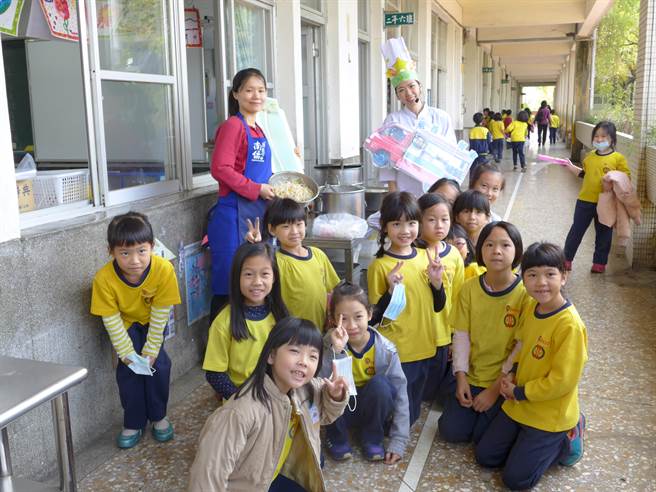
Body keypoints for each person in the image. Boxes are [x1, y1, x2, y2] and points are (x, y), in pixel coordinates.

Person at [188, 317, 349, 491]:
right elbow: (207, 477)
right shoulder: (239, 413)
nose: (304, 361)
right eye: (295, 351)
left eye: (312, 356)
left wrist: (335, 396)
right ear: (271, 355)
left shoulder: (304, 390)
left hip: (268, 477)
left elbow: (325, 415)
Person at [475, 242, 588, 490]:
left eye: (550, 274)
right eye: (533, 275)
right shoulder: (532, 307)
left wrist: (519, 392)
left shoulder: (570, 325)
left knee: (517, 481)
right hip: (520, 402)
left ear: (564, 277)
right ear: (523, 279)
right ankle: (527, 442)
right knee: (486, 457)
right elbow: (522, 348)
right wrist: (512, 375)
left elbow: (563, 381)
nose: (541, 283)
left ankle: (568, 435)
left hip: (549, 413)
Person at [91, 212, 181, 448]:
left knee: (159, 366)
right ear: (110, 251)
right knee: (128, 372)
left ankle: (159, 416)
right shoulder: (103, 279)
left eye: (142, 251)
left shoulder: (163, 270)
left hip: (152, 322)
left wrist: (151, 352)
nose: (134, 260)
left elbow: (162, 314)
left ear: (152, 246)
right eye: (124, 253)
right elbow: (111, 320)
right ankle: (133, 421)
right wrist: (127, 355)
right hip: (126, 324)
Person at [438, 221, 529, 444]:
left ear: (517, 250)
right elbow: (461, 337)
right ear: (480, 250)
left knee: (483, 438)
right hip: (473, 375)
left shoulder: (525, 294)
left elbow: (520, 347)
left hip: (505, 381)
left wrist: (494, 390)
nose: (496, 251)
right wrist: (461, 378)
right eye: (489, 244)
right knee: (451, 431)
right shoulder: (469, 288)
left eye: (505, 245)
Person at [367, 191, 447, 425]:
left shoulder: (425, 257)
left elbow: (438, 305)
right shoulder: (380, 266)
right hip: (398, 349)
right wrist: (390, 291)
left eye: (411, 223)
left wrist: (436, 282)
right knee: (399, 410)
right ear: (385, 228)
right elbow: (374, 318)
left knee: (412, 410)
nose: (405, 230)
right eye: (396, 224)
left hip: (425, 345)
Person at [207, 68, 275, 321]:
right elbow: (220, 168)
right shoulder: (233, 126)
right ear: (236, 94)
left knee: (252, 284)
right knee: (229, 285)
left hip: (256, 213)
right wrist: (257, 189)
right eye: (248, 90)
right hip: (232, 216)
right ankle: (216, 351)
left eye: (261, 90)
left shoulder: (258, 129)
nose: (255, 95)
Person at [322, 281, 409, 464]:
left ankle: (372, 438)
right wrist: (334, 352)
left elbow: (400, 393)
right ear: (333, 319)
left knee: (381, 386)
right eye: (343, 318)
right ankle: (337, 437)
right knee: (331, 386)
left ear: (369, 314)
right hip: (342, 407)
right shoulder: (327, 344)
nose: (351, 325)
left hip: (371, 408)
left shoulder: (386, 349)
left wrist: (398, 441)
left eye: (358, 316)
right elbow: (318, 382)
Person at [203, 242, 289, 401]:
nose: (257, 282)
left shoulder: (281, 316)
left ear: (274, 277)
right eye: (249, 274)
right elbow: (215, 374)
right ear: (237, 277)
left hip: (278, 398)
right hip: (241, 403)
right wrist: (243, 400)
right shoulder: (223, 322)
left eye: (265, 274)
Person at [379, 37, 457, 197]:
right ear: (397, 96)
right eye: (401, 90)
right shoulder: (393, 121)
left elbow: (452, 155)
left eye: (411, 86)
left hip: (437, 189)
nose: (408, 93)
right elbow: (386, 162)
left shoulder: (441, 117)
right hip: (405, 190)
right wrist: (393, 193)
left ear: (420, 87)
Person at [562, 121, 631, 273]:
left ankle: (599, 263)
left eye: (603, 136)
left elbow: (625, 178)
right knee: (576, 231)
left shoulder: (618, 158)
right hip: (584, 201)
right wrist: (571, 167)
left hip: (606, 204)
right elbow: (584, 174)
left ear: (612, 139)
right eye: (596, 136)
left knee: (604, 234)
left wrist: (614, 179)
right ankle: (566, 259)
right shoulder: (589, 156)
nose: (599, 140)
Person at [263, 198, 340, 331]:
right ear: (272, 229)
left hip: (320, 330)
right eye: (286, 227)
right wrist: (254, 245)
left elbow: (333, 290)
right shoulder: (274, 261)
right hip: (290, 333)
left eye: (299, 224)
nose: (294, 231)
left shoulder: (318, 254)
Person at [417, 193, 464, 403]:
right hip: (416, 332)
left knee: (432, 390)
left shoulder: (453, 254)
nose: (439, 225)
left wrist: (456, 336)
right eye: (431, 219)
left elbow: (458, 296)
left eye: (444, 219)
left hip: (443, 333)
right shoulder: (411, 254)